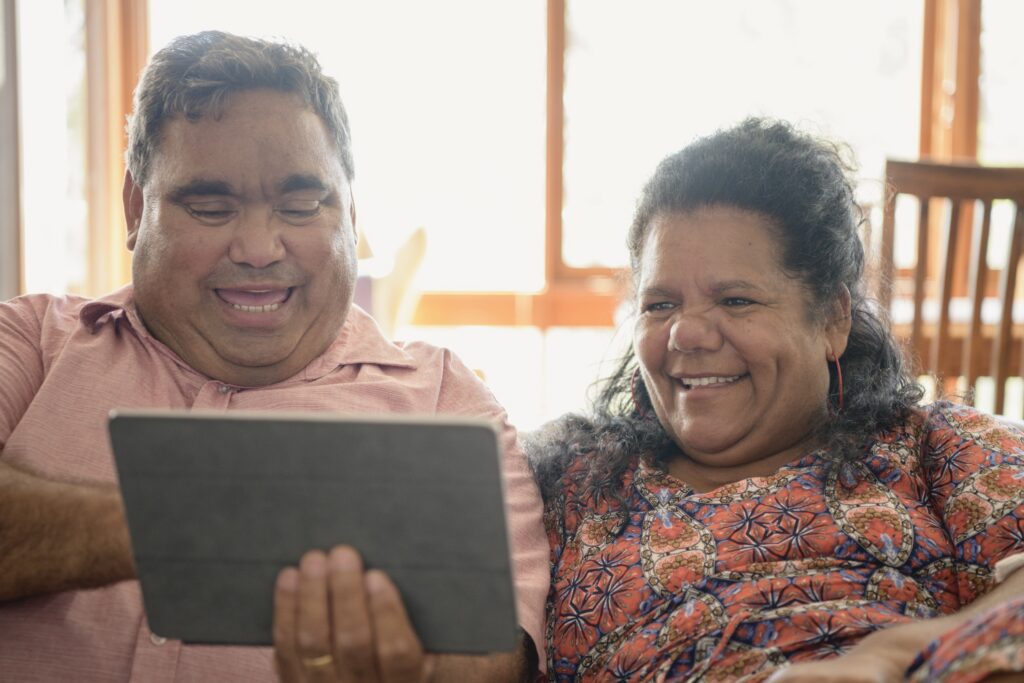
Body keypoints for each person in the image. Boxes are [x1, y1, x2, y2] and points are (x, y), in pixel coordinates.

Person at [0, 31, 547, 682]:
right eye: (209, 206)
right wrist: (203, 524)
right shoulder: (31, 342)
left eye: (301, 204)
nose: (260, 247)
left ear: (351, 213)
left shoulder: (447, 400)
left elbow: (496, 655)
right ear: (134, 207)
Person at [527, 118, 1024, 682]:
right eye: (659, 305)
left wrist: (889, 658)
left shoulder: (936, 446)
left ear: (833, 318)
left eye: (736, 300)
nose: (686, 334)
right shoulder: (571, 482)